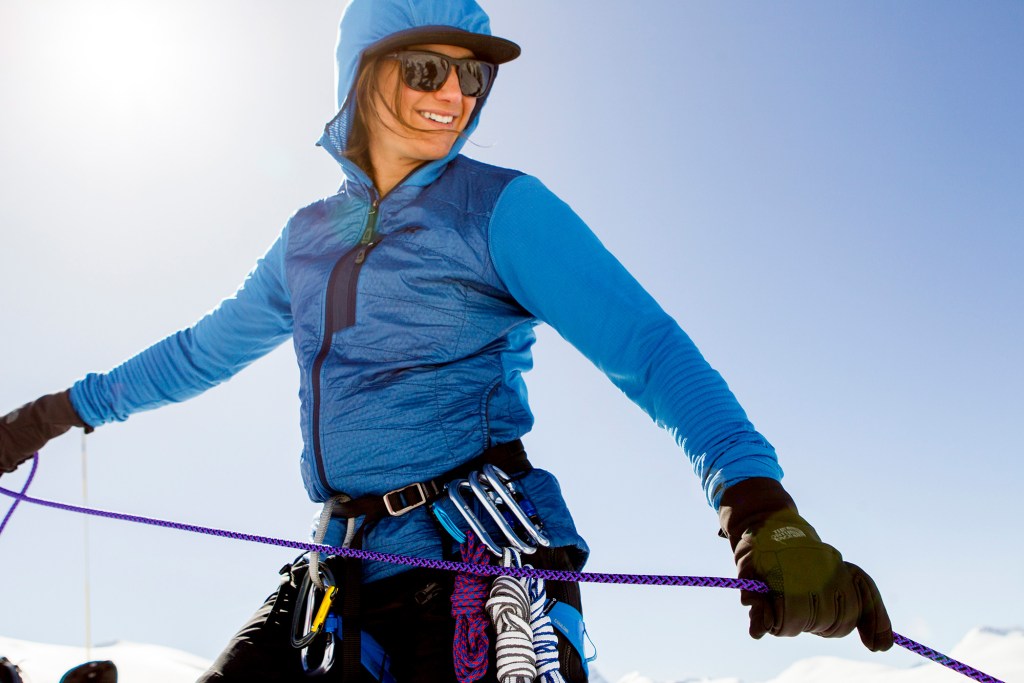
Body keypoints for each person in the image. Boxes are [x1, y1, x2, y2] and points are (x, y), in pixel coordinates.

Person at [0, 0, 894, 681]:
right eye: (428, 70)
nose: (455, 96)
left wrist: (758, 506)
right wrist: (40, 419)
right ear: (361, 74)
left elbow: (649, 349)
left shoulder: (502, 208)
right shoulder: (306, 240)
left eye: (474, 77)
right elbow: (201, 351)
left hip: (476, 572)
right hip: (334, 568)